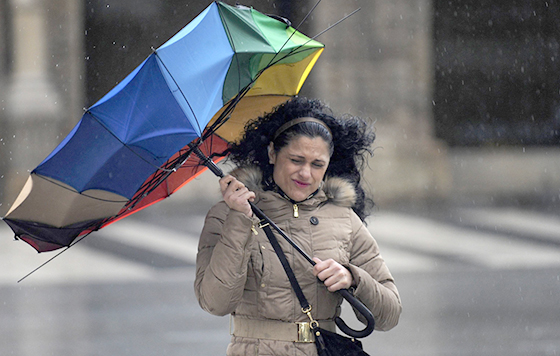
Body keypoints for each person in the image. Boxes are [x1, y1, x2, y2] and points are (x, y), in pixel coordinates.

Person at [195, 97, 402, 356]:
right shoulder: (225, 215)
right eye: (296, 160)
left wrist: (352, 278)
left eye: (317, 165)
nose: (306, 173)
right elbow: (215, 302)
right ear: (272, 153)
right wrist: (239, 218)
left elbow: (389, 315)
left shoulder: (344, 219)